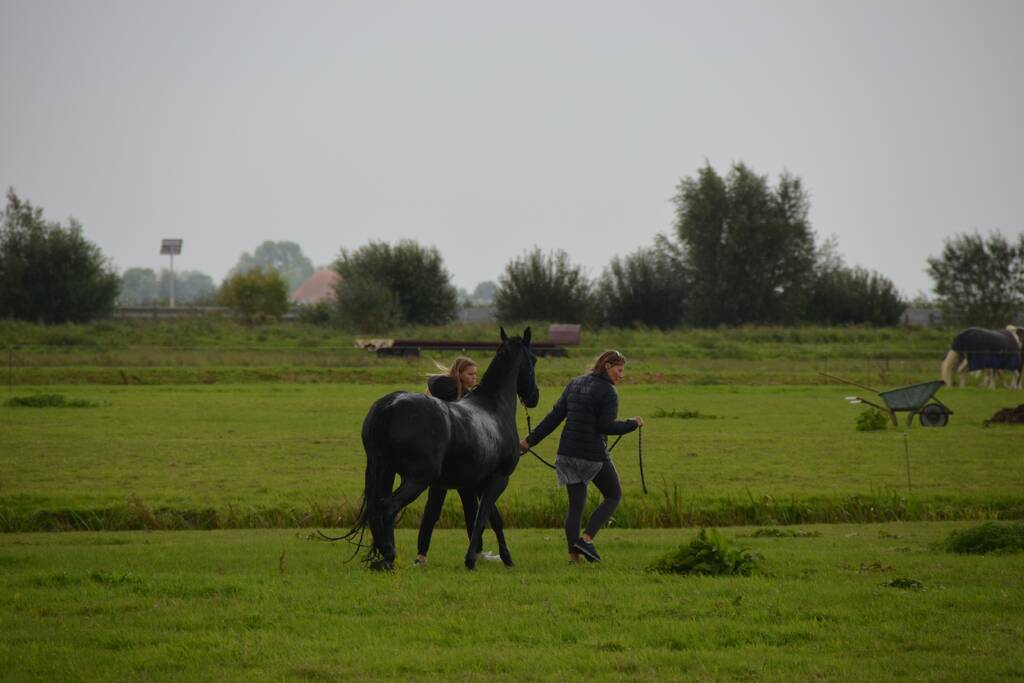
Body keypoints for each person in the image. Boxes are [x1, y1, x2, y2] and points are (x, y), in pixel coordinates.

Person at [519, 350, 643, 563]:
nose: (621, 375)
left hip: (566, 454)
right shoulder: (609, 392)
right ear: (607, 366)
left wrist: (529, 441)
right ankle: (586, 539)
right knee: (613, 495)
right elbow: (606, 426)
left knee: (576, 506)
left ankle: (573, 557)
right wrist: (632, 423)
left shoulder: (575, 383)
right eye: (619, 370)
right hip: (592, 455)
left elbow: (554, 417)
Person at [416, 356, 499, 565]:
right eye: (470, 374)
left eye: (475, 374)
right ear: (458, 374)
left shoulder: (467, 396)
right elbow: (435, 381)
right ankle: (421, 556)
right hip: (444, 462)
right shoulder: (446, 390)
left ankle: (477, 551)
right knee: (433, 508)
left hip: (463, 462)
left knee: (470, 507)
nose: (474, 377)